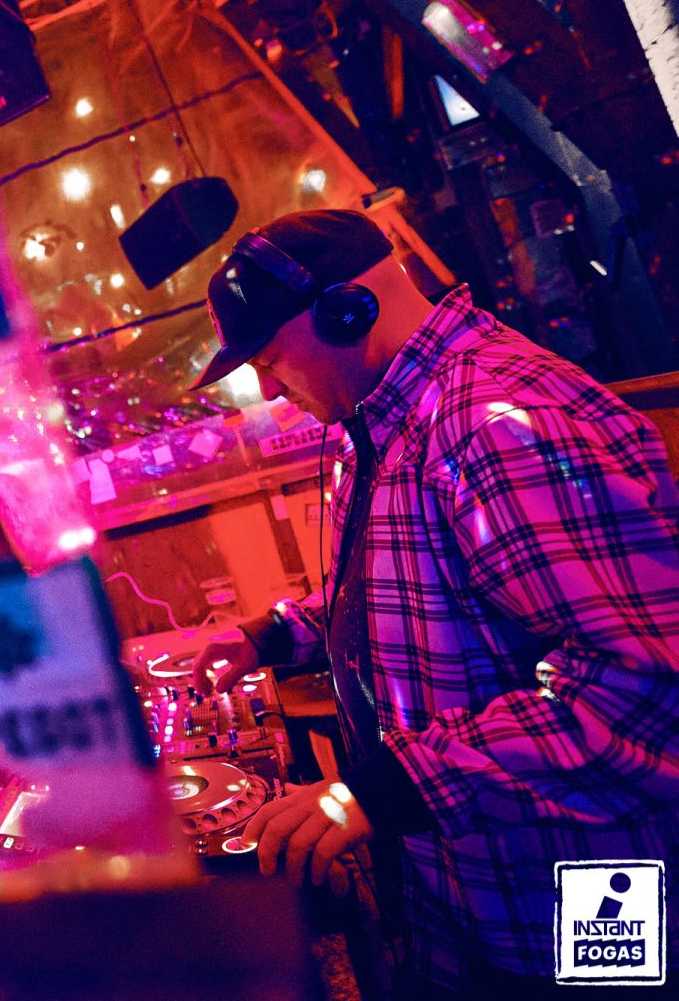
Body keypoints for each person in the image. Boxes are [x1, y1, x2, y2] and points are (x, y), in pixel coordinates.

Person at [187, 209, 679, 994]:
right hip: (475, 896)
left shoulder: (496, 424)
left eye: (271, 359)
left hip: (572, 904)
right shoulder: (392, 419)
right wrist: (272, 635)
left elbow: (643, 690)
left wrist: (383, 789)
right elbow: (416, 592)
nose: (269, 389)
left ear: (347, 311)